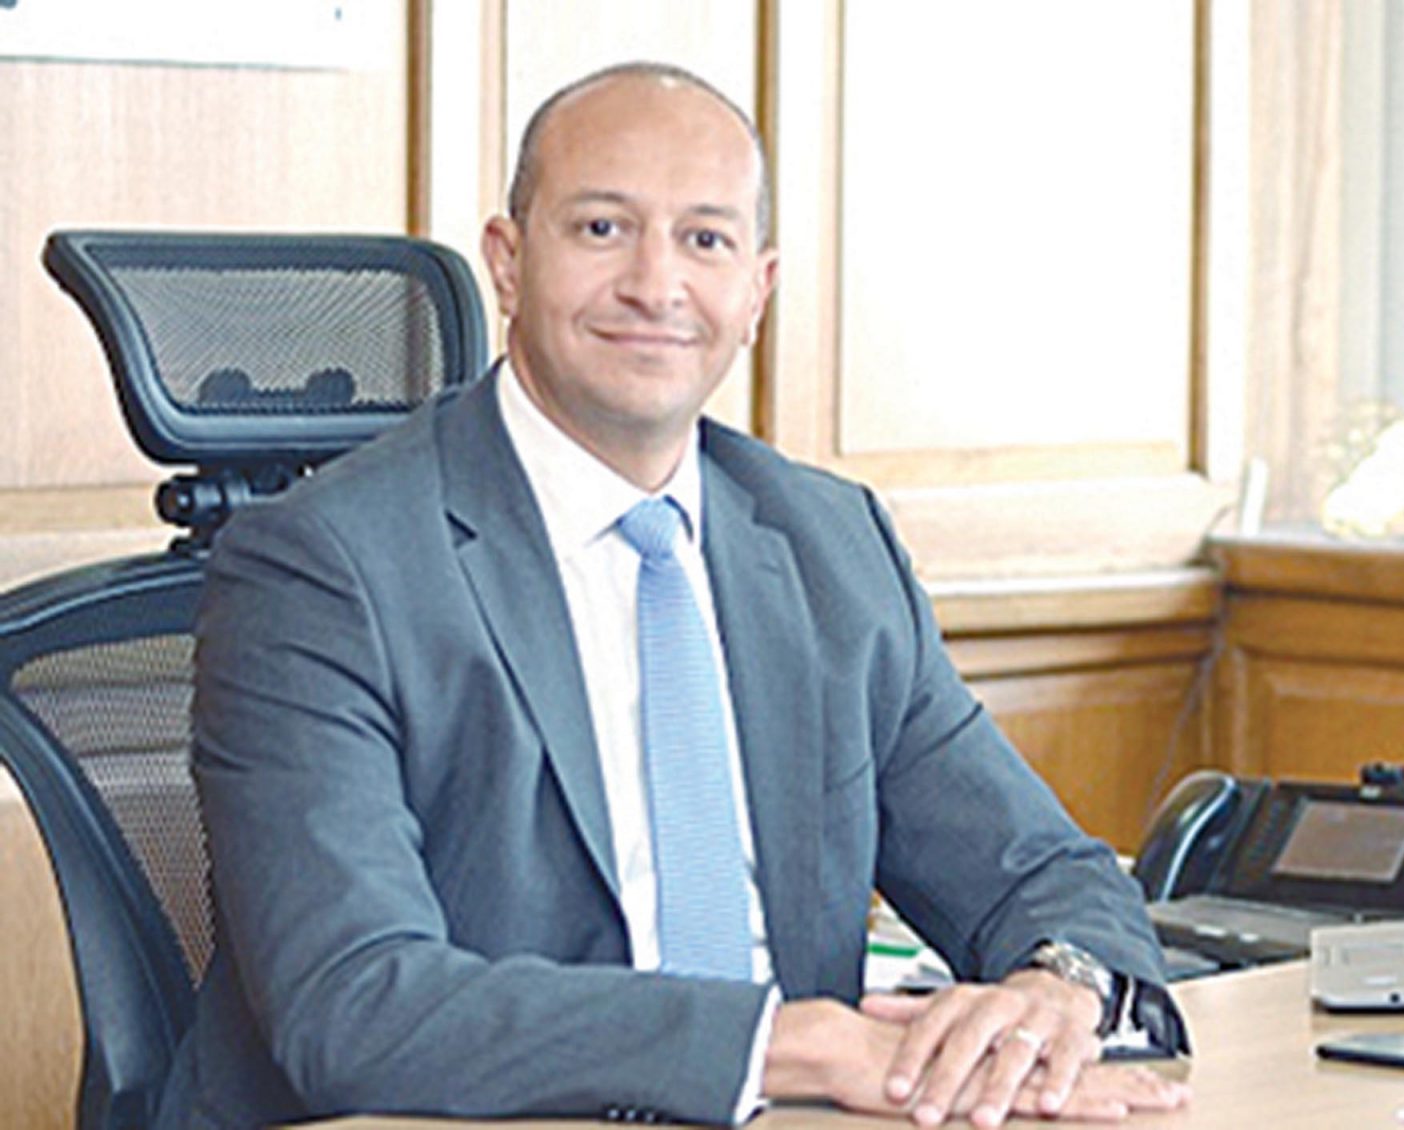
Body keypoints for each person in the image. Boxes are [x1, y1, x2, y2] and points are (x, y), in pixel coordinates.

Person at [155, 62, 1191, 1130]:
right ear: (508, 261)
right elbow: (357, 1004)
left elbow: (1044, 870)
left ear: (758, 290)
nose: (657, 285)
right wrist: (792, 1044)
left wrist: (1058, 988)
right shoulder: (322, 566)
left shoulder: (831, 545)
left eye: (705, 239)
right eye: (602, 229)